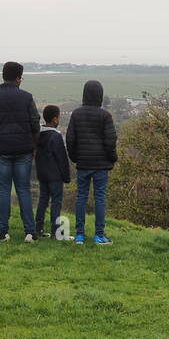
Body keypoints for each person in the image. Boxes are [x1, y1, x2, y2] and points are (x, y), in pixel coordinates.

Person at [0, 61, 40, 242]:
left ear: (3, 76)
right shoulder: (27, 98)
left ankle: (2, 232)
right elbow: (35, 124)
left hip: (0, 150)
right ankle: (30, 232)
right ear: (18, 78)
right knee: (23, 190)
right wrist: (35, 146)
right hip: (24, 150)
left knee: (3, 191)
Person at [65, 79, 118, 245]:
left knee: (81, 197)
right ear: (100, 95)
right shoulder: (105, 116)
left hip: (83, 163)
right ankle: (99, 235)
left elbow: (70, 139)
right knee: (100, 198)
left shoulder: (76, 114)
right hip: (101, 165)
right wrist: (112, 158)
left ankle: (80, 235)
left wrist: (75, 157)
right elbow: (110, 141)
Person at [35, 105, 71, 239]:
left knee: (43, 201)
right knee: (56, 202)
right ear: (55, 119)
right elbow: (61, 158)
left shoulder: (39, 134)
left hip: (42, 174)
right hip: (55, 175)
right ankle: (56, 232)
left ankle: (38, 229)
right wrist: (66, 176)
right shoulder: (56, 136)